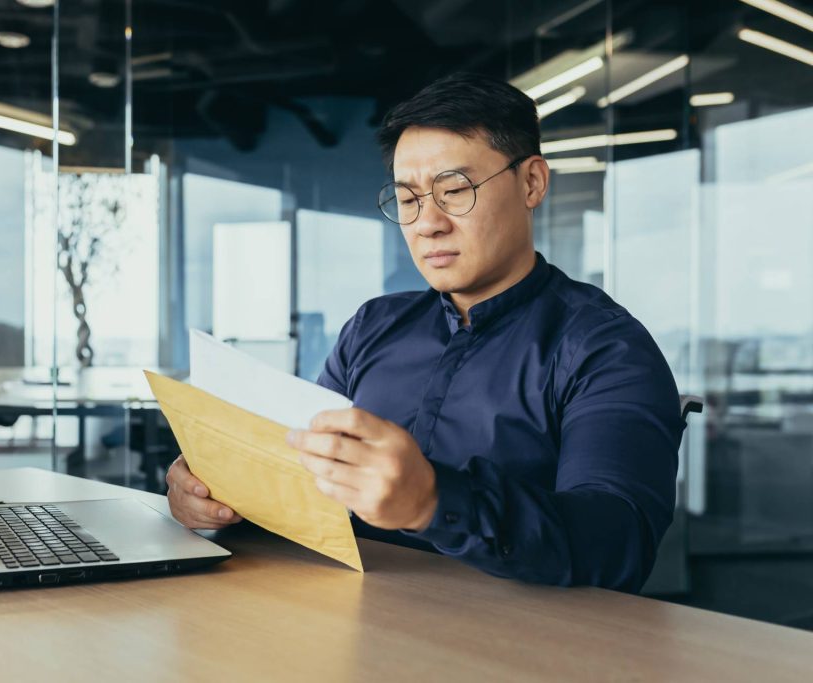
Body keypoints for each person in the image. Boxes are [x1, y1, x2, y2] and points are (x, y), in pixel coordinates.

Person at [165, 72, 685, 592]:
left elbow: (619, 542)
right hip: (351, 618)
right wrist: (215, 494)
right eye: (408, 199)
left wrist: (435, 501)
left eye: (454, 190)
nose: (427, 223)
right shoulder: (373, 327)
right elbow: (305, 481)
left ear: (531, 183)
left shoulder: (606, 348)